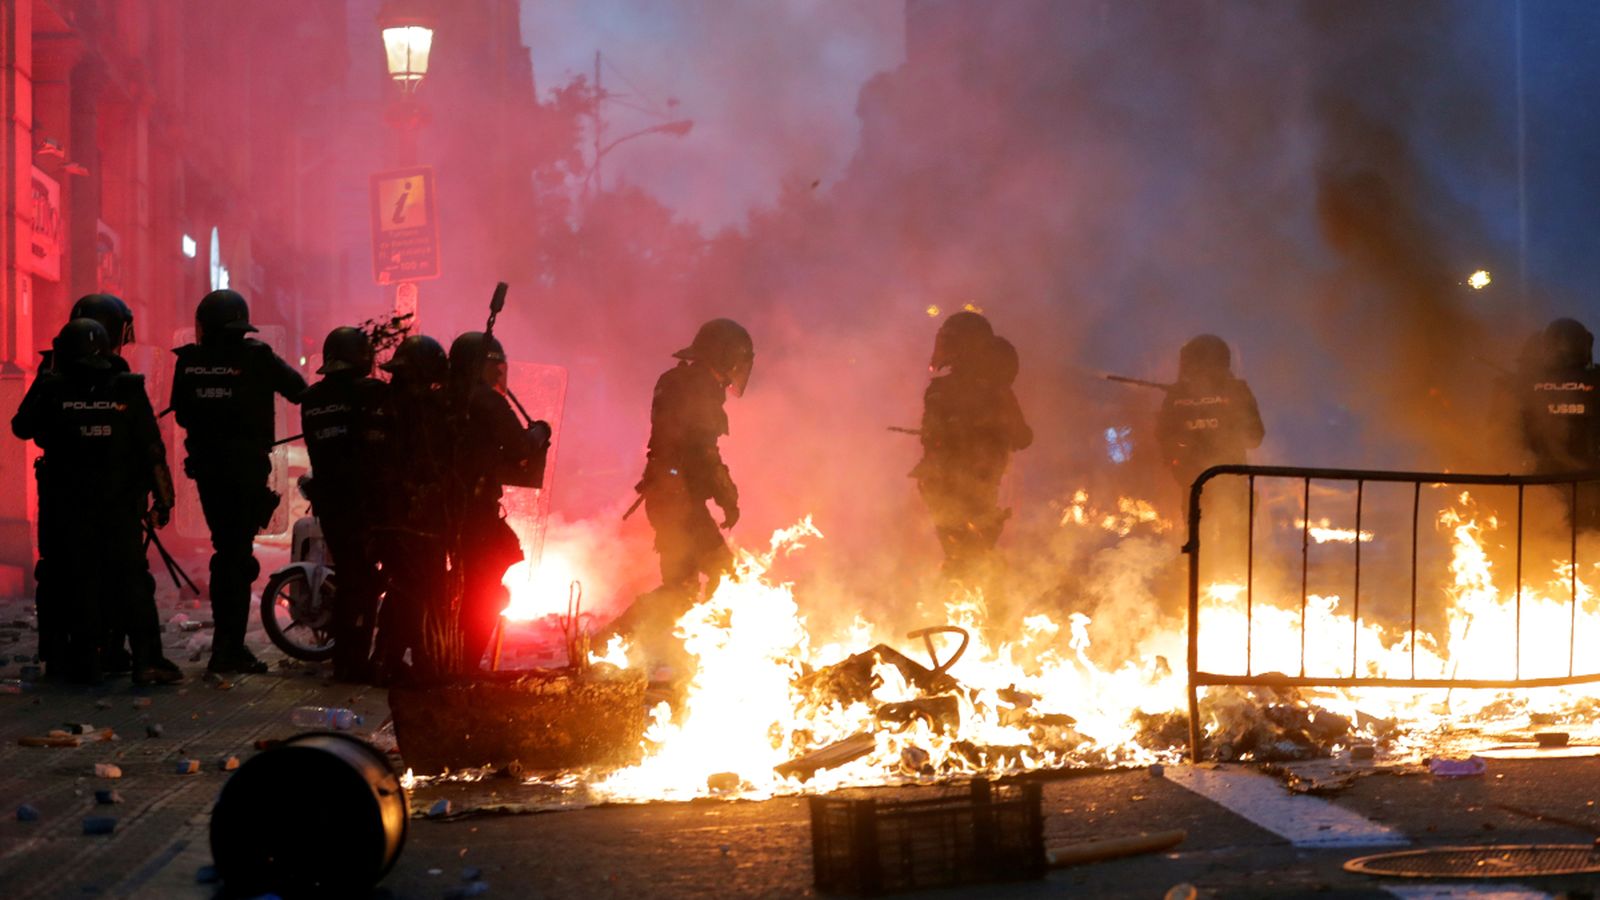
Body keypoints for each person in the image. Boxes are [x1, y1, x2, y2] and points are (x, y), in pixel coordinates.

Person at [11, 319, 182, 686]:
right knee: (132, 580)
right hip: (119, 504)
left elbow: (21, 426)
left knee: (80, 579)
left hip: (67, 507)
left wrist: (46, 379)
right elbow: (152, 448)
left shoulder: (54, 387)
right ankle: (147, 660)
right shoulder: (128, 387)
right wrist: (163, 501)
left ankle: (84, 663)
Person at [170, 289, 306, 676]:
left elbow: (181, 415)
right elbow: (298, 390)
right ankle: (228, 650)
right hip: (245, 470)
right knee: (236, 558)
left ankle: (228, 647)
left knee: (226, 554)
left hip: (210, 472)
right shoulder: (257, 357)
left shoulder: (190, 362)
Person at [607, 319, 754, 662]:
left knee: (681, 589)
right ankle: (721, 656)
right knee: (723, 574)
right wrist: (727, 495)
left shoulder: (678, 381)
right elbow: (703, 453)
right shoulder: (699, 388)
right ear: (725, 357)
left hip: (669, 495)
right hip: (678, 499)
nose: (735, 372)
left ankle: (613, 643)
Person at [30, 294, 140, 677]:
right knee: (108, 570)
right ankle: (104, 651)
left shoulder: (51, 368)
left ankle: (62, 654)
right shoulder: (116, 371)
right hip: (107, 490)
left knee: (61, 570)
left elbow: (25, 425)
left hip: (59, 488)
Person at [447, 331, 548, 671]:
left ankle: (443, 654)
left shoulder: (440, 398)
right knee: (487, 588)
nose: (498, 375)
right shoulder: (487, 400)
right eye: (494, 367)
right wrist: (540, 432)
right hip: (475, 510)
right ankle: (465, 662)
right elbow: (519, 446)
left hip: (439, 509)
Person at [912, 313, 1032, 591]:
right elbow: (1022, 437)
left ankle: (968, 607)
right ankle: (972, 606)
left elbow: (930, 438)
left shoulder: (941, 391)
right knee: (970, 553)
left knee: (963, 553)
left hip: (945, 484)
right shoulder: (997, 392)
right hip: (967, 483)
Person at [300, 327, 388, 682]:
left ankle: (344, 657)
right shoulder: (371, 394)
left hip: (330, 503)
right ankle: (354, 663)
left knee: (352, 578)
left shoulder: (313, 398)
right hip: (366, 503)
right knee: (364, 583)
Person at [374, 335, 453, 682]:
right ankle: (416, 662)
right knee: (424, 590)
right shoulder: (425, 410)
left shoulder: (384, 402)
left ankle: (387, 657)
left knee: (403, 587)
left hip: (389, 514)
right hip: (416, 517)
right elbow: (431, 461)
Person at [1154, 334, 1265, 495]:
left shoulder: (1176, 395)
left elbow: (1163, 436)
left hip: (1196, 489)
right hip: (1227, 487)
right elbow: (1255, 437)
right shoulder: (1238, 391)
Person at [1519, 318, 1600, 529]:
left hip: (1541, 485)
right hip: (1591, 482)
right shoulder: (1597, 380)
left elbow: (1510, 435)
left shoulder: (1525, 385)